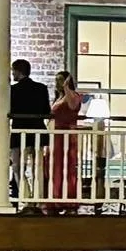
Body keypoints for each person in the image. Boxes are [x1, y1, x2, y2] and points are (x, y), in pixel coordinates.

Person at [7, 59, 52, 207]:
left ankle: (27, 199)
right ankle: (37, 199)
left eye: (13, 71)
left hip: (19, 132)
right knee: (37, 168)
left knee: (17, 167)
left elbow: (9, 111)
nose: (12, 73)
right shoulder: (41, 88)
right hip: (38, 131)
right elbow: (46, 112)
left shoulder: (13, 90)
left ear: (19, 71)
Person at [47, 70, 85, 211]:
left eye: (60, 80)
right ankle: (55, 198)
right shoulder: (58, 98)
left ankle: (67, 199)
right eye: (56, 80)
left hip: (66, 136)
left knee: (65, 167)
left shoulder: (73, 96)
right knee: (54, 167)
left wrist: (66, 87)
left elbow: (73, 106)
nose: (57, 83)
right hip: (55, 136)